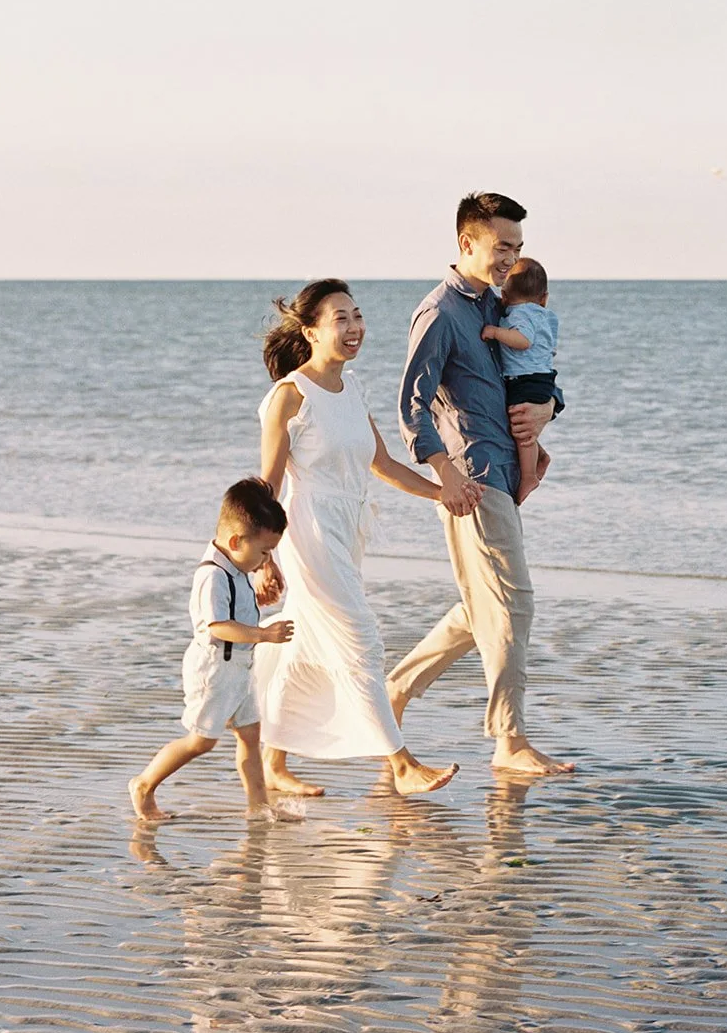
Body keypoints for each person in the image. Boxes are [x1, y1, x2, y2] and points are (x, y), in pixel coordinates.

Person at [389, 192, 575, 777]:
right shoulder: (439, 313)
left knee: (482, 608)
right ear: (467, 243)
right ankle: (509, 740)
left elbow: (537, 371)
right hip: (471, 481)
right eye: (501, 247)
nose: (509, 260)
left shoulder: (497, 309)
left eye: (518, 248)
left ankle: (391, 694)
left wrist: (548, 410)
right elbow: (410, 407)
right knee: (513, 603)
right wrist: (443, 474)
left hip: (500, 473)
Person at [256, 279, 460, 797]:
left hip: (346, 529)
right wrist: (263, 557)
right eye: (340, 319)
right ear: (310, 332)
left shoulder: (352, 388)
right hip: (308, 532)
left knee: (305, 645)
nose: (354, 329)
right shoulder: (290, 396)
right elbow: (269, 485)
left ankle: (272, 764)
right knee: (360, 639)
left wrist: (445, 493)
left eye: (358, 316)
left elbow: (382, 464)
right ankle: (401, 762)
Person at [129, 478, 295, 822]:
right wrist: (263, 634)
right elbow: (217, 625)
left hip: (240, 669)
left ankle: (259, 807)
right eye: (263, 552)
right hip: (214, 670)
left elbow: (236, 611)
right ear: (235, 541)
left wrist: (255, 602)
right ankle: (144, 785)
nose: (267, 560)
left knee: (251, 735)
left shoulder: (236, 566)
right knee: (201, 741)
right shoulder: (212, 575)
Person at [480, 257, 560, 506]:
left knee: (521, 429)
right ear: (544, 297)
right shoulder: (546, 316)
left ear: (503, 296)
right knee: (523, 429)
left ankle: (528, 476)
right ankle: (537, 456)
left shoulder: (520, 313)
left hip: (524, 379)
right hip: (542, 377)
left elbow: (522, 339)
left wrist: (495, 332)